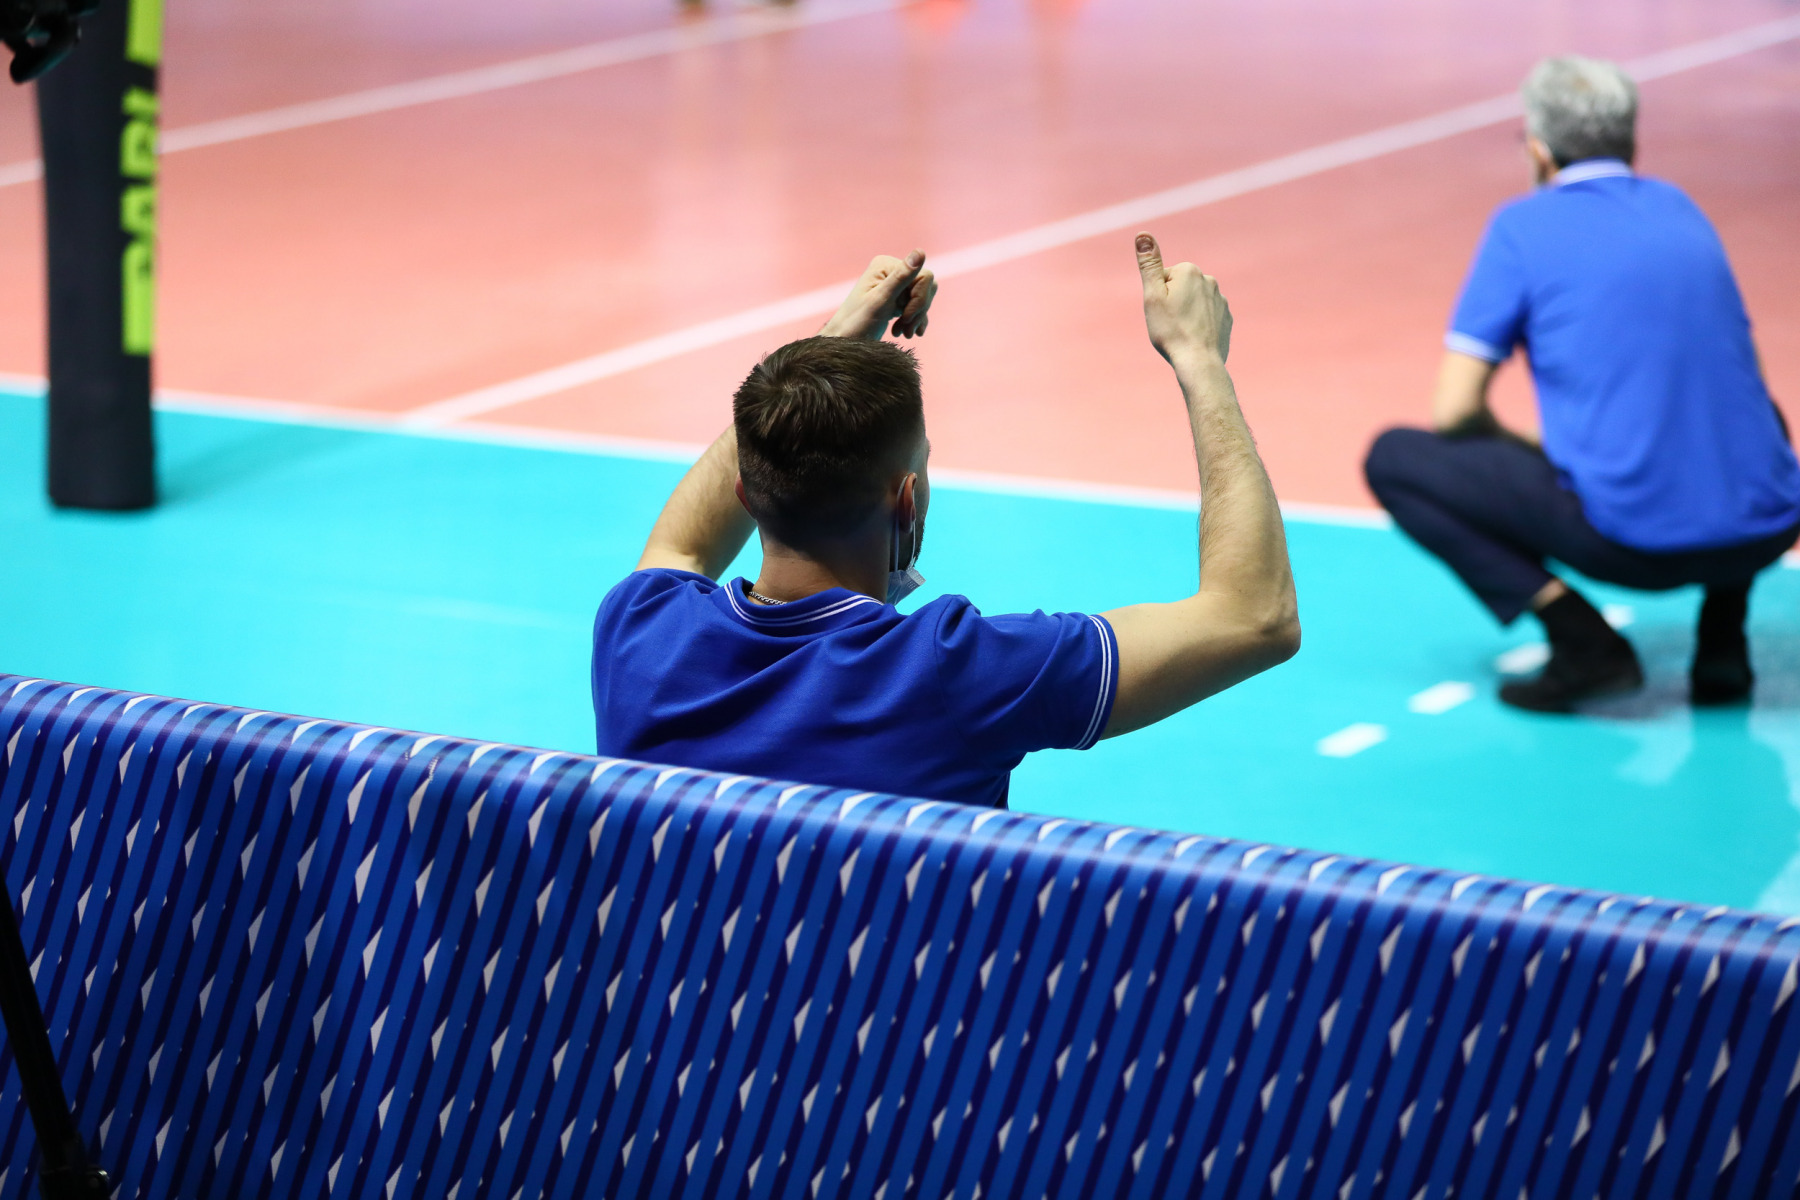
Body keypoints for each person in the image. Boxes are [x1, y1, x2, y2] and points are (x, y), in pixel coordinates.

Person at [590, 236, 1299, 807]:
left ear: (746, 495)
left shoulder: (640, 630)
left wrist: (830, 348)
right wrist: (1200, 360)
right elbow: (1254, 618)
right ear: (907, 499)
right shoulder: (955, 673)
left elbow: (683, 543)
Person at [1364, 55, 1800, 713]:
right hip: (1767, 530)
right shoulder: (1681, 208)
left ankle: (1583, 643)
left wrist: (1525, 445)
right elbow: (1750, 380)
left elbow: (1454, 410)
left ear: (1539, 151)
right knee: (1754, 417)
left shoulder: (1521, 227)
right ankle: (1722, 642)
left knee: (1395, 459)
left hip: (1635, 549)